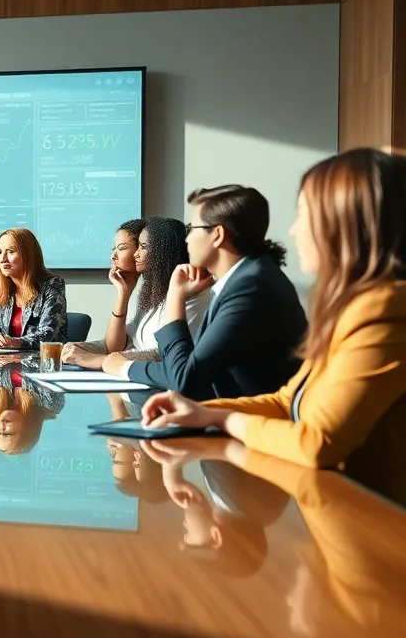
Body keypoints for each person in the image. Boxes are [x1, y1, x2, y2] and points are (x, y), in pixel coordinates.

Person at [139, 150, 406, 501]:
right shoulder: (353, 307)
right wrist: (203, 412)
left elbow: (316, 443)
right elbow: (286, 401)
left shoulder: (384, 310)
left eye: (304, 215)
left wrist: (221, 420)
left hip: (369, 522)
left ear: (347, 225)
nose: (293, 231)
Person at [102, 185, 307, 399]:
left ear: (217, 235)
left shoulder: (249, 288)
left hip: (251, 422)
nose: (187, 239)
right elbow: (186, 366)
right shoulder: (247, 278)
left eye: (192, 229)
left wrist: (125, 367)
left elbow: (185, 379)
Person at [65, 217, 210, 368]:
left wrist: (99, 360)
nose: (136, 254)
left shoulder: (193, 293)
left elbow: (165, 354)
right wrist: (123, 294)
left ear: (161, 251)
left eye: (142, 246)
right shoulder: (152, 291)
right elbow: (118, 345)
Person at [0, 228, 67, 349]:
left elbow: (47, 335)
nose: (2, 259)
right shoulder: (2, 290)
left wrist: (12, 342)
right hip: (6, 363)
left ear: (28, 255)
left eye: (11, 251)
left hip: (41, 364)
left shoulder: (53, 285)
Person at [0, 359, 64, 454]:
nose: (2, 427)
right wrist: (22, 357)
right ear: (27, 431)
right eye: (8, 433)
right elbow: (51, 362)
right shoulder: (50, 404)